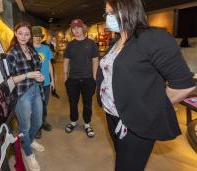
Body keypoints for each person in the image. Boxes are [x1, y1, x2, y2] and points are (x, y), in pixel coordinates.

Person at [96, 0, 196, 170]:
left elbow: (183, 86)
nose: (108, 18)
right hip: (112, 114)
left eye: (112, 12)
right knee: (121, 157)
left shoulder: (153, 38)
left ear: (129, 10)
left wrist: (149, 106)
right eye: (106, 13)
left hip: (135, 122)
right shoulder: (117, 41)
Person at [7, 22, 45, 171]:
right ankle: (29, 154)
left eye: (27, 34)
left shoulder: (32, 50)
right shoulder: (11, 53)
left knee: (38, 121)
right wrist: (27, 75)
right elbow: (9, 79)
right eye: (20, 33)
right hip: (22, 93)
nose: (23, 36)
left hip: (36, 89)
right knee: (25, 126)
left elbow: (36, 69)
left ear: (30, 36)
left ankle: (28, 140)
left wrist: (39, 77)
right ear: (16, 33)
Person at [63, 18, 99, 138]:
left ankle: (87, 124)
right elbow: (66, 61)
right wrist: (65, 76)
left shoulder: (91, 43)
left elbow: (95, 61)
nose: (76, 30)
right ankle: (73, 122)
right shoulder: (70, 45)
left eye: (78, 27)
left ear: (83, 28)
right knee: (73, 102)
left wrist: (94, 77)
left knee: (87, 103)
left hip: (88, 79)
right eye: (73, 28)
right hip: (73, 79)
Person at [32, 26, 54, 138]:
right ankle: (37, 126)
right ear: (31, 37)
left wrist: (52, 80)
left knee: (44, 104)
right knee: (36, 106)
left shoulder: (46, 48)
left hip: (46, 83)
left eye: (39, 36)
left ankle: (43, 121)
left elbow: (49, 64)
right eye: (35, 36)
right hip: (34, 83)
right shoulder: (29, 49)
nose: (37, 38)